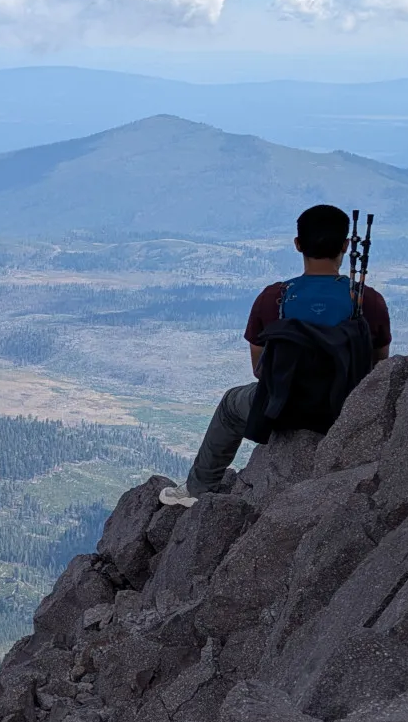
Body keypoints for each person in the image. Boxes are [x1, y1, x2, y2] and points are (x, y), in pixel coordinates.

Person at [160, 204, 391, 507]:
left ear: (297, 245)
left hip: (283, 410)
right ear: (346, 246)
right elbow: (378, 370)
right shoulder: (368, 301)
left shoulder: (273, 299)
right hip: (344, 412)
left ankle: (198, 490)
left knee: (231, 404)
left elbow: (261, 370)